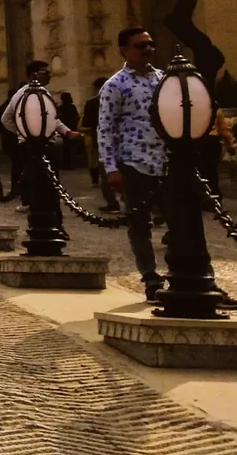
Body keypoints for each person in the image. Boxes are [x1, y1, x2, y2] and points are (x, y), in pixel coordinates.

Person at [97, 28, 168, 301]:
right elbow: (105, 129)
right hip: (134, 164)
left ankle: (187, 275)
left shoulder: (163, 79)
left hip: (166, 163)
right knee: (140, 226)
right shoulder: (115, 85)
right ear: (124, 51)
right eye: (141, 45)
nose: (148, 49)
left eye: (151, 43)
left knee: (180, 221)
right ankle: (151, 279)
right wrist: (111, 168)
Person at [1, 62, 75, 209]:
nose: (49, 75)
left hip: (40, 142)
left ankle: (46, 207)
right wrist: (24, 132)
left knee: (44, 178)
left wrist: (66, 131)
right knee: (38, 178)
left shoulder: (43, 92)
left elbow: (52, 118)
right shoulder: (24, 94)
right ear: (33, 74)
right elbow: (6, 118)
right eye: (45, 72)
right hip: (37, 144)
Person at [81, 78, 120, 211]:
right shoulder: (120, 96)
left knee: (105, 172)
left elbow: (86, 122)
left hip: (102, 139)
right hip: (123, 140)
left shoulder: (92, 103)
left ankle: (112, 202)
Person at [200, 107, 237, 197]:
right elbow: (224, 130)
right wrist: (230, 144)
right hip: (212, 141)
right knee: (212, 170)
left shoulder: (194, 106)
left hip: (199, 140)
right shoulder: (215, 108)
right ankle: (214, 194)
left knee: (200, 170)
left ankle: (202, 195)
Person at [57, 91, 81, 170]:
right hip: (72, 127)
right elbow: (76, 117)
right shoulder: (72, 107)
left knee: (66, 147)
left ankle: (66, 163)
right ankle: (71, 163)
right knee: (71, 147)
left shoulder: (61, 107)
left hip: (64, 128)